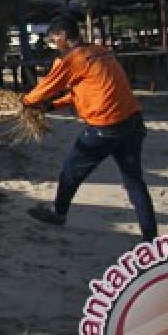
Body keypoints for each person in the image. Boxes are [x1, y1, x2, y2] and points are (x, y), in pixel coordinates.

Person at [22, 16, 158, 241]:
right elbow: (87, 91)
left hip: (105, 128)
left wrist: (25, 103)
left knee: (70, 172)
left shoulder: (74, 59)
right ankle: (150, 237)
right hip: (132, 122)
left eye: (54, 38)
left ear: (64, 36)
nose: (54, 42)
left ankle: (59, 213)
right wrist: (53, 106)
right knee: (134, 182)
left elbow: (46, 87)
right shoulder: (100, 52)